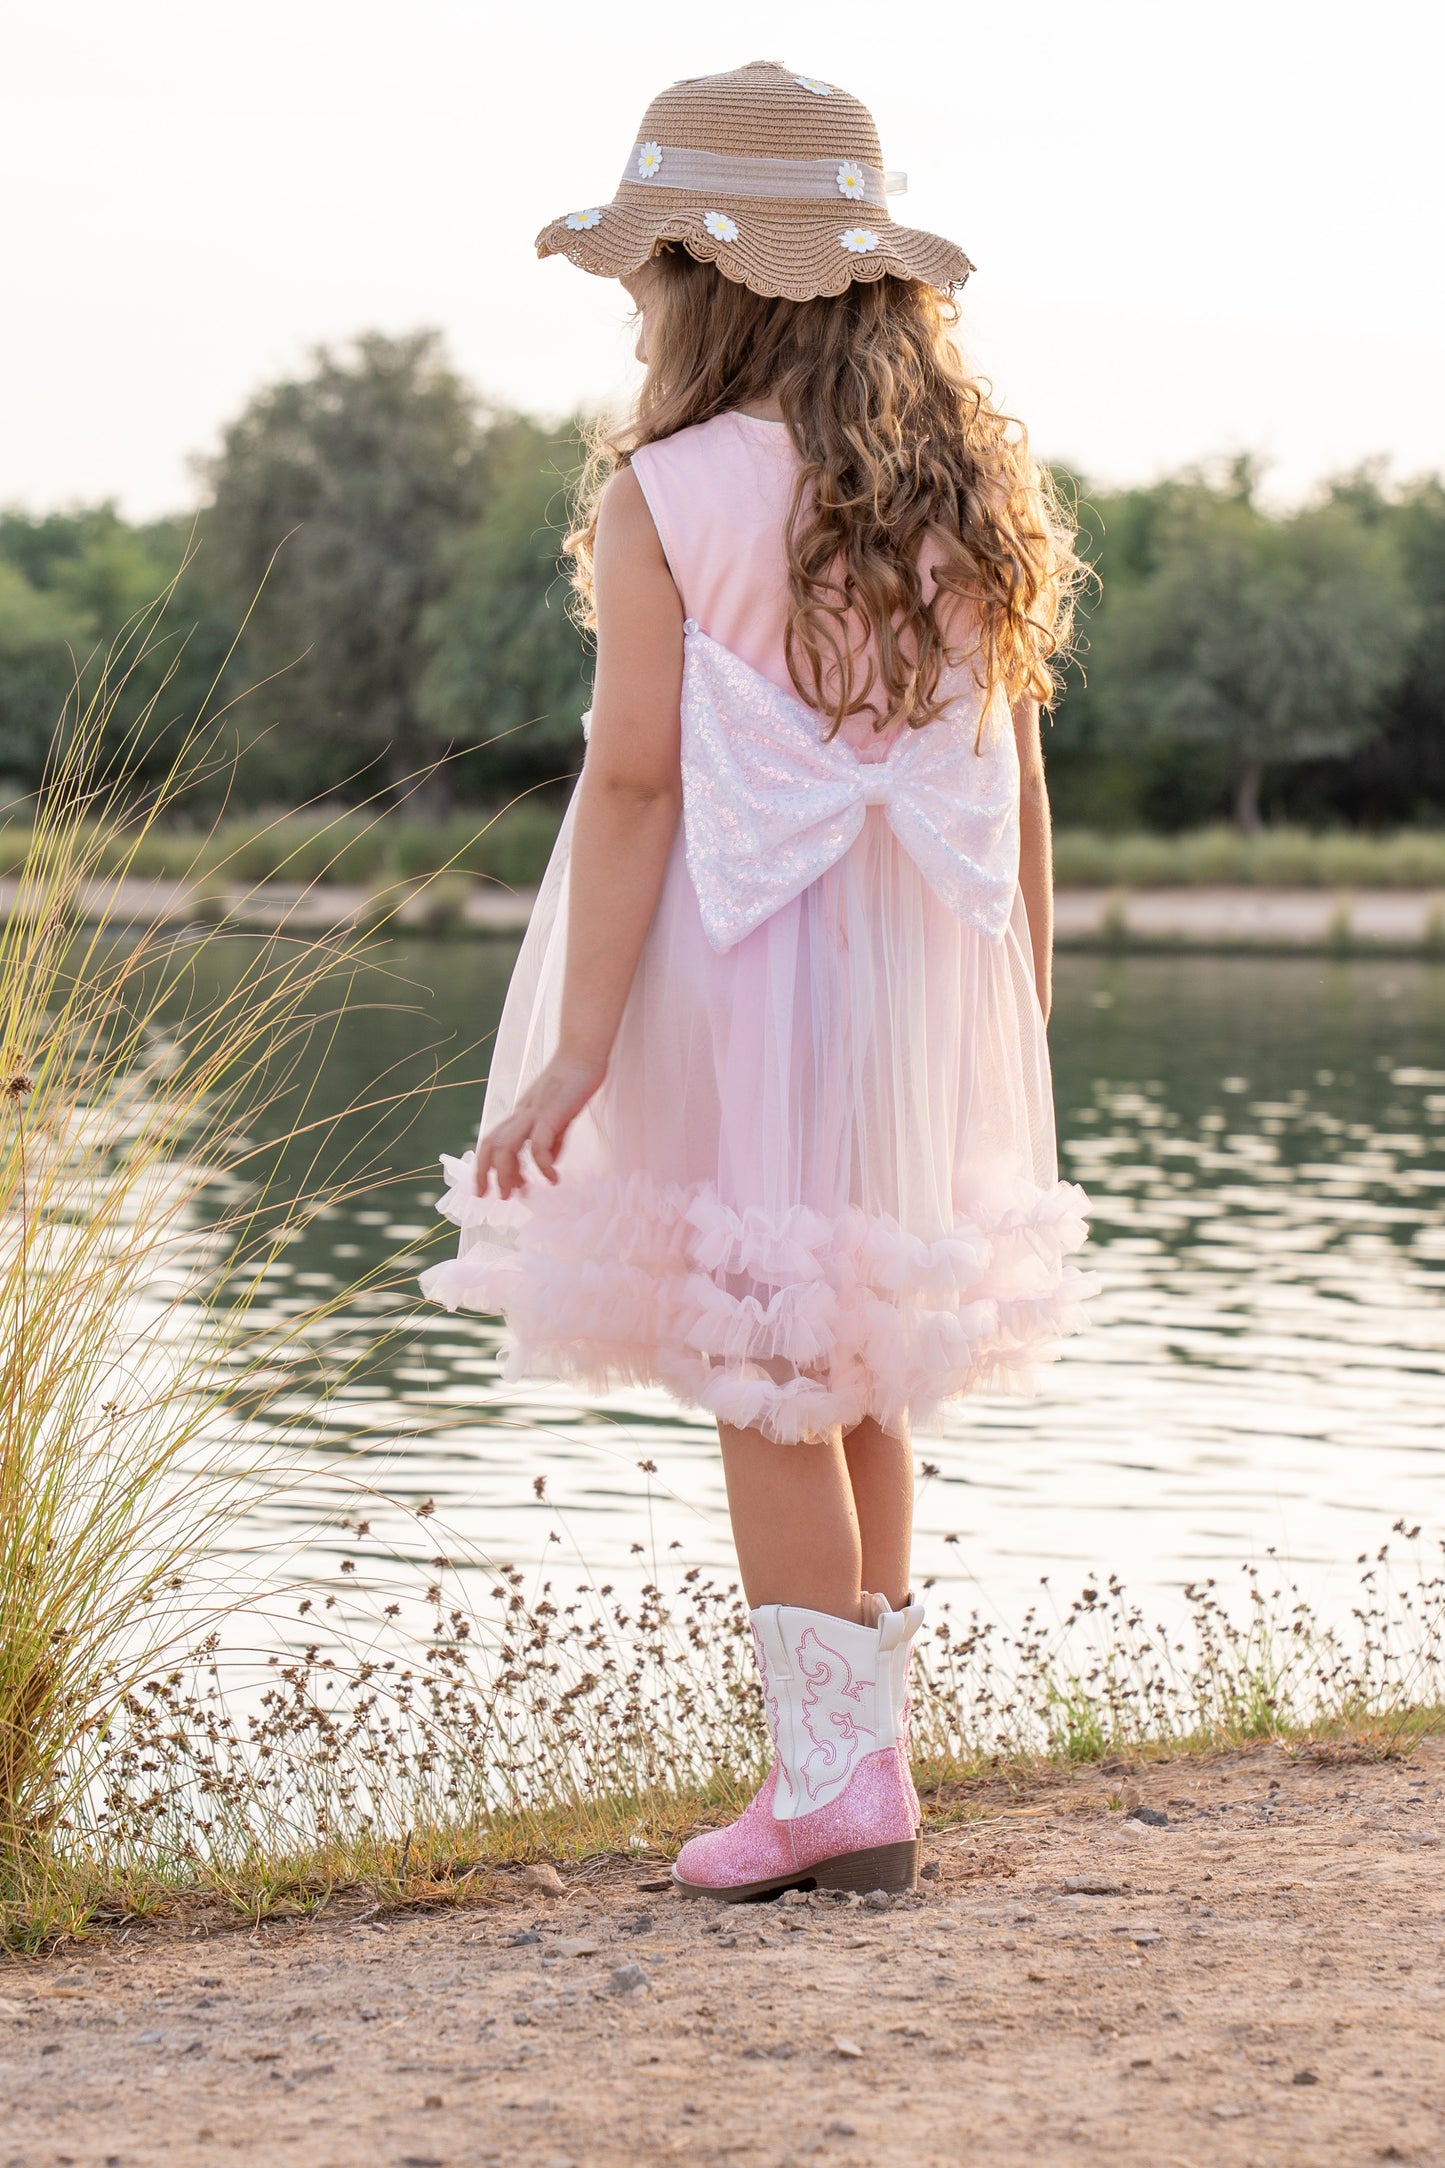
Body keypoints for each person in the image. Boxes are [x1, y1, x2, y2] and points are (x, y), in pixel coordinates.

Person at [422, 60, 1093, 1899]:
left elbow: (635, 783)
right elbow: (1012, 784)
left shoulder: (673, 491)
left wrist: (569, 1058)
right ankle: (859, 1771)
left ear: (703, 284)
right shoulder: (965, 499)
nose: (639, 304)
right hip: (908, 987)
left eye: (650, 269)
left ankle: (827, 1789)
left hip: (739, 966)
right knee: (854, 1361)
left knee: (763, 1367)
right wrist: (1012, 997)